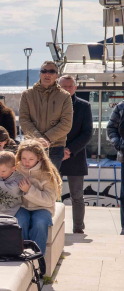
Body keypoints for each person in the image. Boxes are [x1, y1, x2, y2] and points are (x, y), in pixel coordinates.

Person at [19, 59, 72, 168]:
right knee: (30, 181)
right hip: (31, 147)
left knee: (50, 183)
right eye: (44, 71)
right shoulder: (27, 95)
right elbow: (24, 120)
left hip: (55, 148)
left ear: (57, 76)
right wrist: (38, 139)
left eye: (51, 71)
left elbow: (66, 123)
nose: (47, 74)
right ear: (40, 74)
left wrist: (47, 139)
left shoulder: (65, 96)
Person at [57, 74, 92, 234]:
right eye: (64, 86)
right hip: (54, 155)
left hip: (75, 157)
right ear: (58, 87)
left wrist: (69, 150)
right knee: (51, 195)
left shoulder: (84, 106)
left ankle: (78, 229)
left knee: (77, 196)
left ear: (75, 87)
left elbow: (87, 133)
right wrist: (59, 150)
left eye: (70, 86)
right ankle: (53, 227)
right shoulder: (52, 105)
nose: (67, 89)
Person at [14, 139, 59, 250]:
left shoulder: (47, 172)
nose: (26, 162)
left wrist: (28, 191)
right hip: (22, 206)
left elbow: (50, 199)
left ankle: (37, 259)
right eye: (23, 158)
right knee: (20, 220)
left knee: (39, 222)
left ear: (39, 158)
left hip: (42, 208)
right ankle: (21, 252)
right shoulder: (16, 169)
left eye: (31, 159)